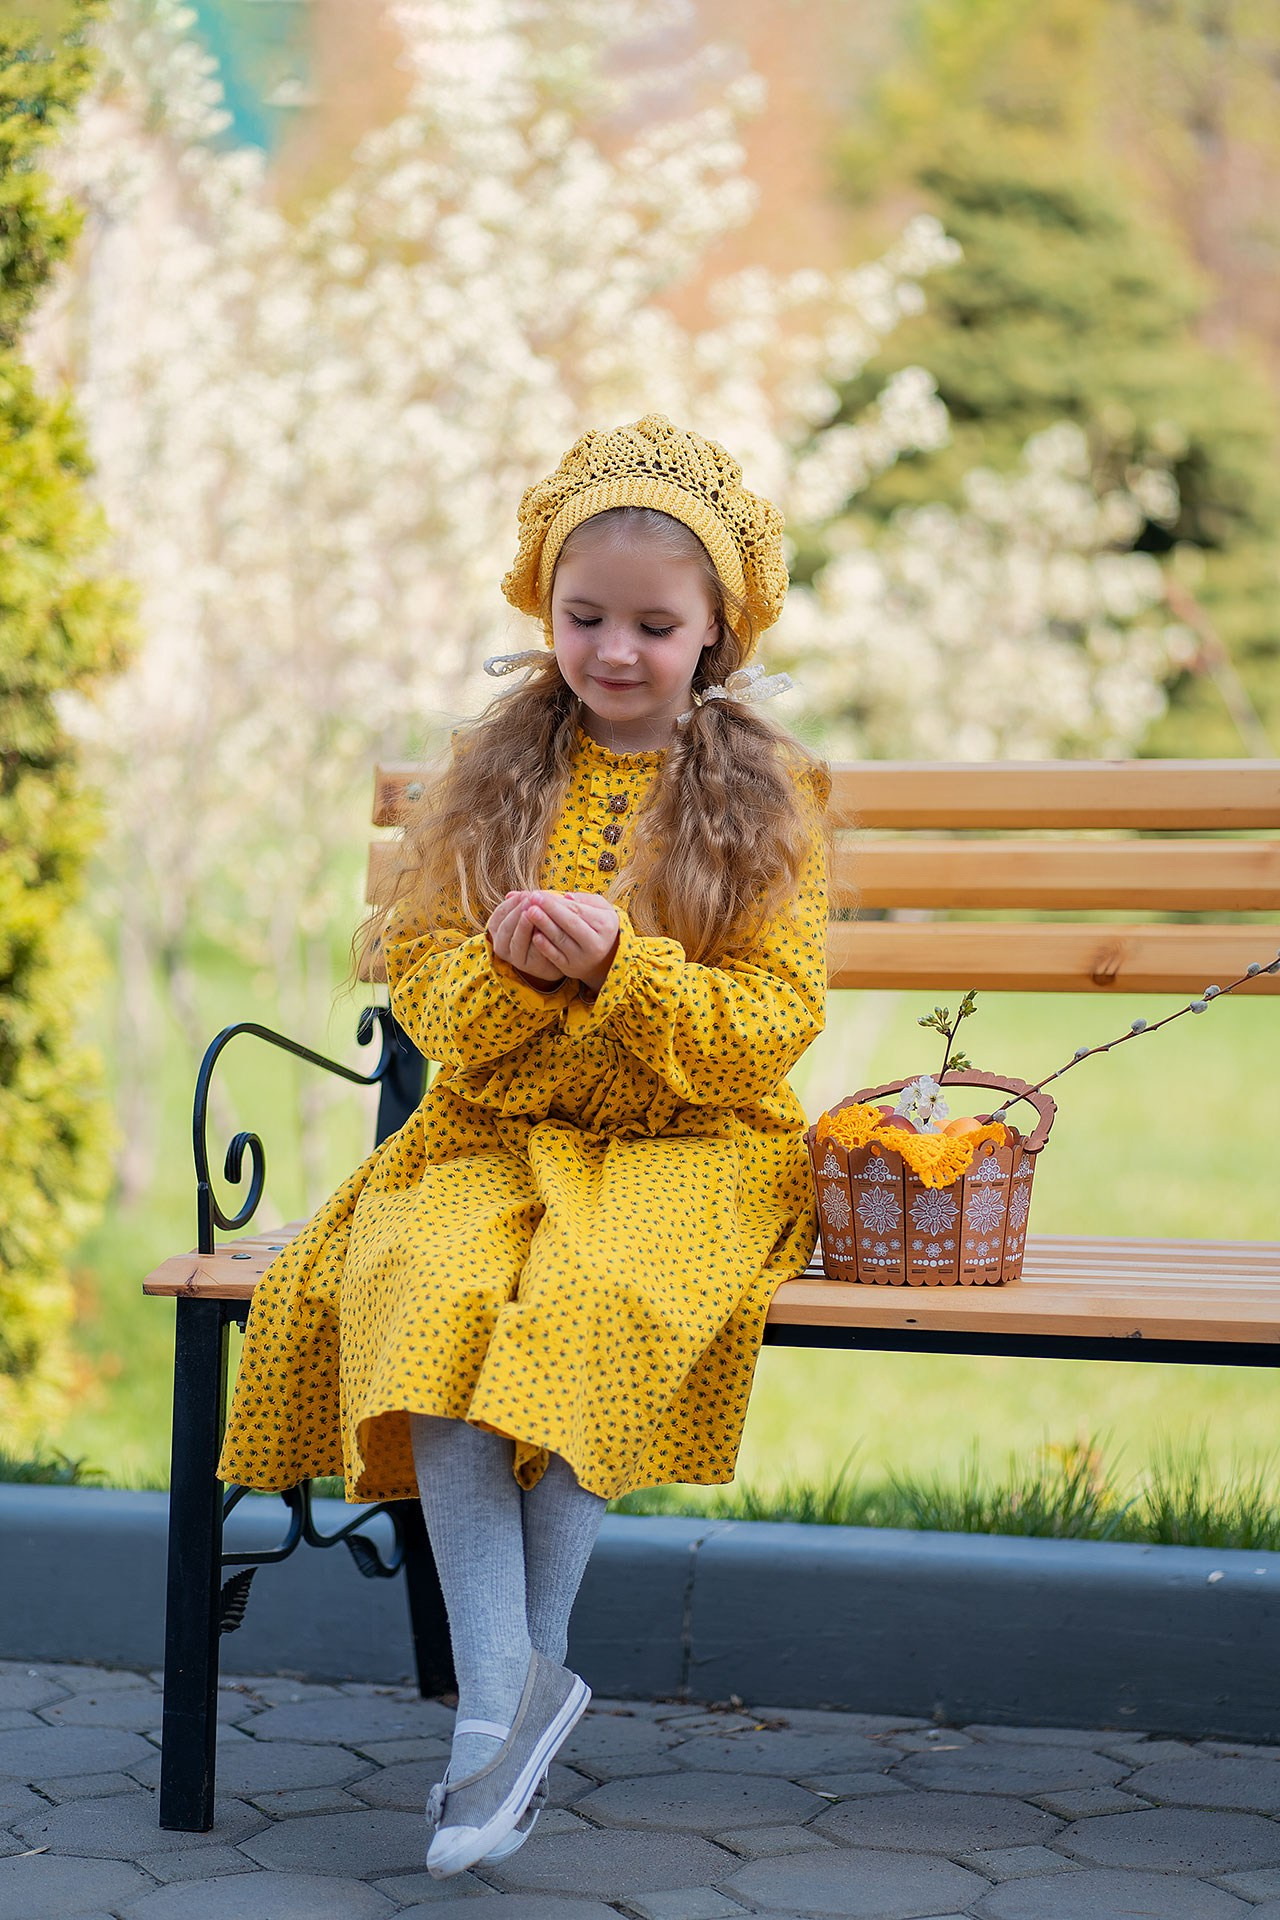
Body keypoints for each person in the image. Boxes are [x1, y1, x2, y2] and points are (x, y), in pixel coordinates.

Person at [216, 413, 832, 1877]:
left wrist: (626, 966)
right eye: (586, 617)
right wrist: (504, 969)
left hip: (694, 1139)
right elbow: (422, 975)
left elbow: (772, 1018)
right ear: (542, 609)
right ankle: (502, 1702)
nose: (615, 651)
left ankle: (513, 1696)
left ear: (718, 634)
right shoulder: (492, 776)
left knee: (596, 1307)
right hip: (493, 1129)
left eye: (654, 627)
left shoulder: (763, 796)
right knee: (422, 1287)